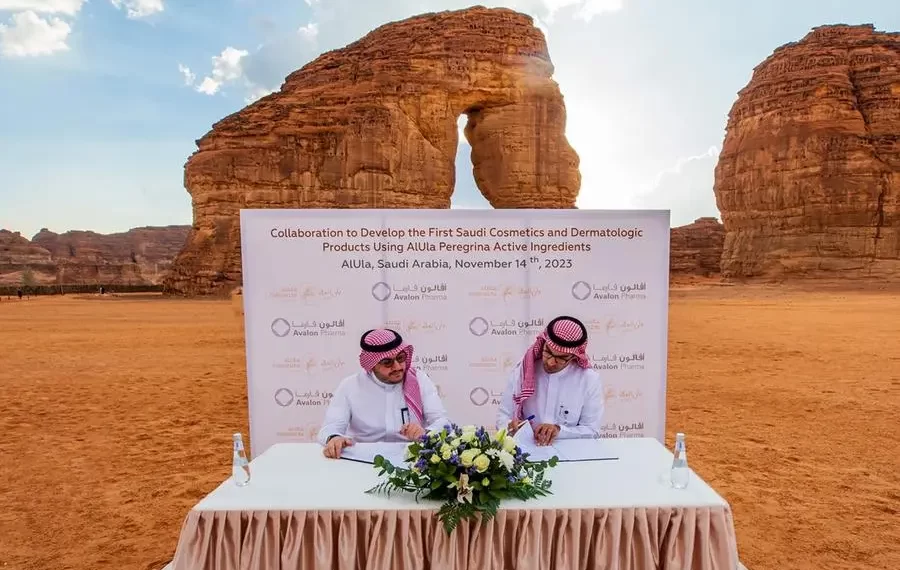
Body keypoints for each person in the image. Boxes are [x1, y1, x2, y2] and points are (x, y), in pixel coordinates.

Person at [317, 328, 450, 458]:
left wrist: (426, 432)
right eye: (387, 362)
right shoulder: (350, 386)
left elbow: (442, 421)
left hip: (411, 458)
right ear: (372, 364)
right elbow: (330, 427)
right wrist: (334, 438)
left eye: (401, 358)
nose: (397, 367)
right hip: (362, 457)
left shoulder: (419, 380)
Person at [496, 315, 604, 446]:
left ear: (574, 356)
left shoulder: (588, 380)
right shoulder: (523, 371)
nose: (551, 362)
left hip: (568, 452)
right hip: (526, 450)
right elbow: (503, 417)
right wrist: (509, 426)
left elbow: (592, 431)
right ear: (543, 344)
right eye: (548, 352)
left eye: (561, 358)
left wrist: (559, 430)